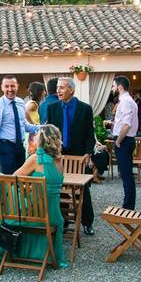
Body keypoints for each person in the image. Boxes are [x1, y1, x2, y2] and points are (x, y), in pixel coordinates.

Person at [0, 124, 68, 271]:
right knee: (15, 199)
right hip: (53, 217)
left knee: (3, 205)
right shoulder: (59, 161)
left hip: (32, 216)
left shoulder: (36, 159)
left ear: (41, 140)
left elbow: (10, 180)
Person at [44, 76, 97, 235]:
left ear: (71, 90)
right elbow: (51, 133)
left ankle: (87, 222)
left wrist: (88, 152)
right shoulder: (52, 108)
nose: (58, 91)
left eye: (62, 87)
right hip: (59, 155)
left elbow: (89, 134)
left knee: (83, 189)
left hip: (79, 155)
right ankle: (64, 221)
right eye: (58, 87)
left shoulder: (85, 108)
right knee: (61, 188)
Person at [0, 75, 38, 176]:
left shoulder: (20, 102)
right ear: (2, 87)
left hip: (20, 147)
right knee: (8, 180)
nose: (10, 89)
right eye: (6, 86)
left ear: (17, 86)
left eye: (12, 86)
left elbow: (24, 126)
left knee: (22, 179)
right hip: (6, 148)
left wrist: (41, 127)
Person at [111, 75, 139, 210]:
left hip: (124, 140)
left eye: (113, 86)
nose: (112, 88)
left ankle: (128, 206)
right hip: (125, 139)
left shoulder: (126, 101)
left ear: (120, 87)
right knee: (125, 173)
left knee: (126, 174)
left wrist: (118, 141)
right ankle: (128, 204)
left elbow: (126, 124)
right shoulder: (126, 100)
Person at [25, 81, 47, 154]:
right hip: (33, 135)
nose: (45, 93)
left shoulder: (34, 104)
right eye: (43, 90)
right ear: (39, 92)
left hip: (33, 133)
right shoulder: (33, 104)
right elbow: (25, 112)